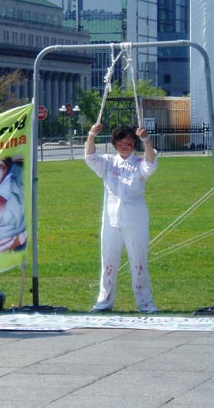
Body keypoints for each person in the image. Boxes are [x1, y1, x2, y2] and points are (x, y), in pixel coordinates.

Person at [85, 122, 158, 314]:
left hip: (135, 220)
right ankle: (104, 302)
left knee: (139, 262)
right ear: (115, 144)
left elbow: (151, 163)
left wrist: (146, 140)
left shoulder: (139, 163)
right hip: (111, 220)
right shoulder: (108, 162)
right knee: (108, 262)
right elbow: (90, 157)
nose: (125, 146)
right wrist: (91, 135)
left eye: (129, 143)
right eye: (121, 143)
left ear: (134, 144)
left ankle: (145, 304)